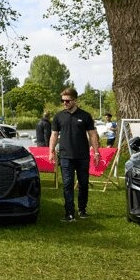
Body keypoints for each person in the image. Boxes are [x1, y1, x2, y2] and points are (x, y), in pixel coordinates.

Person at [48, 86, 100, 221]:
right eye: (62, 101)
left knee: (83, 184)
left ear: (75, 100)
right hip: (65, 156)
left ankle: (82, 210)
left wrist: (96, 152)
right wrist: (51, 151)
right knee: (67, 185)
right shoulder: (58, 117)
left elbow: (92, 135)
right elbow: (54, 135)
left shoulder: (85, 116)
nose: (64, 103)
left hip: (82, 156)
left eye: (67, 101)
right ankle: (69, 213)